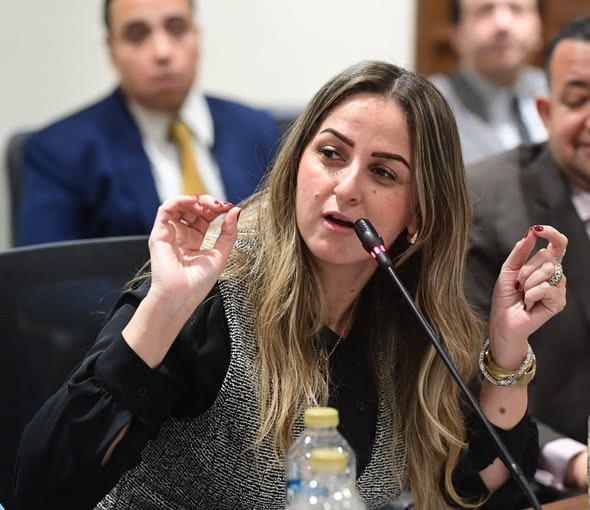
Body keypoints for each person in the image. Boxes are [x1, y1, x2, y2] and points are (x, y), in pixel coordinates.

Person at [13, 61, 567, 510]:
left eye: (383, 172)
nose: (345, 188)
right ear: (297, 163)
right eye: (331, 154)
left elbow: (479, 484)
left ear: (418, 215)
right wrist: (165, 305)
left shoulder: (406, 317)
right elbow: (41, 492)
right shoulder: (212, 298)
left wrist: (508, 346)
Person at [15, 0, 279, 246]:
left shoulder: (256, 128)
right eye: (137, 35)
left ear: (197, 36)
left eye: (177, 29)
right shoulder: (60, 152)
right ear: (111, 50)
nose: (162, 52)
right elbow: (47, 274)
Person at [465, 15, 590, 498]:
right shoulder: (483, 201)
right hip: (535, 484)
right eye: (578, 99)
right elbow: (461, 373)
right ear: (546, 110)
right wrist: (573, 460)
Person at [430, 0, 547, 164]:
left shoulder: (558, 91)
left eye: (517, 9)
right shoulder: (428, 105)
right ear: (456, 34)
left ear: (539, 27)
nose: (503, 24)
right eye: (485, 10)